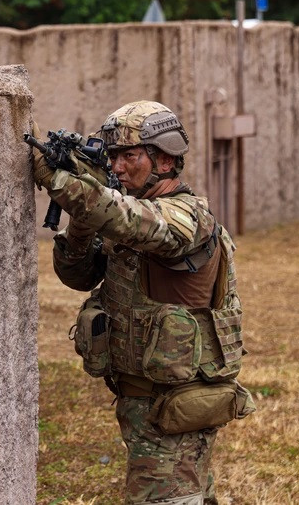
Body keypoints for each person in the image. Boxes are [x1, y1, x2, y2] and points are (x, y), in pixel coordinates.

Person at [31, 101, 253, 505]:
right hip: (145, 401)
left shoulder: (187, 216)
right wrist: (82, 222)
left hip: (175, 402)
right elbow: (77, 276)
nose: (116, 168)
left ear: (164, 158)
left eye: (129, 156)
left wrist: (64, 184)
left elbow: (130, 220)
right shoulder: (128, 212)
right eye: (111, 157)